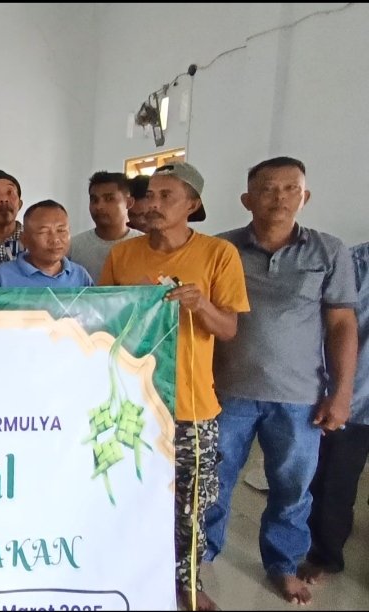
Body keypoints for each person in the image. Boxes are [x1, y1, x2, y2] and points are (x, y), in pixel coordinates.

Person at [203, 157, 357, 605]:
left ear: (305, 197)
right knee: (212, 485)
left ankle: (283, 565)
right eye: (268, 189)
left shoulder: (328, 251)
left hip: (299, 397)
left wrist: (341, 393)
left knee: (292, 490)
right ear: (246, 199)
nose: (280, 198)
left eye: (291, 189)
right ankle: (199, 561)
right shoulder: (221, 249)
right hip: (226, 392)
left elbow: (342, 325)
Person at [99, 161, 249, 612]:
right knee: (125, 493)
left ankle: (187, 583)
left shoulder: (219, 254)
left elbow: (228, 329)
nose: (154, 203)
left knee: (190, 506)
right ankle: (125, 576)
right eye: (150, 194)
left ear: (193, 204)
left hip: (190, 406)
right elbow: (103, 323)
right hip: (133, 402)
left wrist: (200, 304)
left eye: (167, 196)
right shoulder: (123, 256)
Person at [302, 240, 369, 585]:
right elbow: (332, 326)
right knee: (333, 483)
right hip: (355, 396)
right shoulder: (354, 262)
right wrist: (336, 392)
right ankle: (325, 556)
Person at [0, 200, 93, 288]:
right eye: (44, 232)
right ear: (24, 239)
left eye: (61, 230)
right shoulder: (2, 277)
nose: (55, 239)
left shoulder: (80, 275)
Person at [70, 172, 143, 280]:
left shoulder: (145, 245)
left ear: (129, 202)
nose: (99, 206)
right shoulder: (73, 247)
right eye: (94, 200)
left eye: (109, 199)